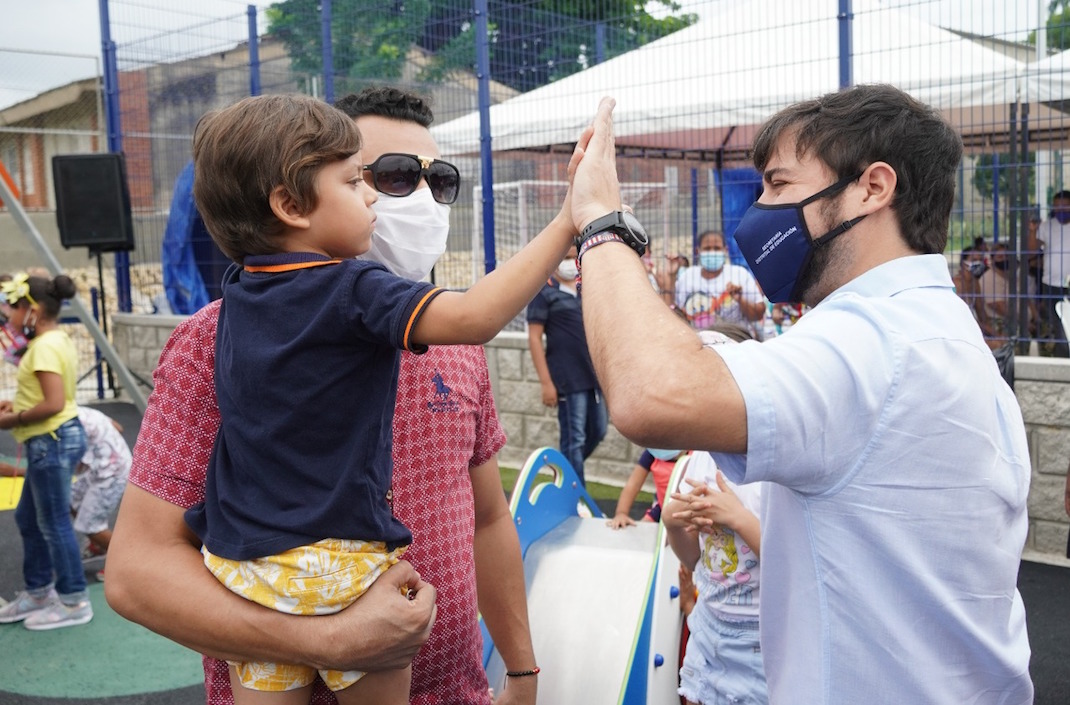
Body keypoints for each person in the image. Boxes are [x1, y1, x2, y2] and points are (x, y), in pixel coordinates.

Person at [568, 86, 1033, 703]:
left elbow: (651, 394)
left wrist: (601, 222)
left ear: (872, 187)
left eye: (779, 186)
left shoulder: (876, 341)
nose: (759, 211)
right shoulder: (926, 325)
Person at [106, 86, 549, 705]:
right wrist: (327, 641)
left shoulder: (451, 338)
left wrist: (522, 672)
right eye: (390, 177)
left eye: (439, 181)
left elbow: (488, 518)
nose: (419, 201)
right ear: (291, 199)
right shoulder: (215, 338)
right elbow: (136, 574)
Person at [0, 273, 91, 630]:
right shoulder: (54, 339)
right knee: (28, 519)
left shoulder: (43, 347)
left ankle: (74, 601)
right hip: (48, 441)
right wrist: (17, 408)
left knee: (54, 523)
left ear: (32, 310)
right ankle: (39, 591)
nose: (7, 313)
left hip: (50, 441)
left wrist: (11, 420)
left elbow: (53, 403)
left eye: (12, 306)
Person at [664, 451, 765, 705]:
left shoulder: (773, 470)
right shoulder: (698, 461)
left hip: (758, 639)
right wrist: (671, 522)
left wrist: (739, 518)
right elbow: (695, 559)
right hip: (707, 625)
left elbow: (794, 564)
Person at [0, 405, 132, 560]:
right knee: (69, 500)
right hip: (103, 468)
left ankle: (127, 561)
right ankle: (99, 544)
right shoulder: (73, 411)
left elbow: (54, 469)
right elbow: (118, 427)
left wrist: (16, 472)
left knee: (90, 526)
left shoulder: (60, 429)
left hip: (111, 473)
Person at [526, 244, 607, 484]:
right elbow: (534, 337)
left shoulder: (587, 288)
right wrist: (546, 383)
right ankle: (575, 495)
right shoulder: (544, 292)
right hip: (567, 378)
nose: (570, 262)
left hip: (593, 376)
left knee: (598, 431)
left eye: (574, 257)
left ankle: (565, 475)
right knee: (575, 438)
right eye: (566, 257)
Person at [656, 231, 766, 333]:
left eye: (717, 248)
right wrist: (670, 279)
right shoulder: (687, 276)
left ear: (725, 250)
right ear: (698, 251)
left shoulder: (740, 275)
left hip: (734, 343)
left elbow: (759, 314)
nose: (712, 252)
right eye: (707, 249)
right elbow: (670, 313)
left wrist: (740, 299)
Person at [606, 448, 687, 528]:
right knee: (641, 531)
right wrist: (621, 513)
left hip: (689, 512)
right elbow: (633, 484)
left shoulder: (694, 455)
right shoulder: (653, 453)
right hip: (661, 509)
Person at [1038, 190, 1070, 356]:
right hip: (1051, 285)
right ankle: (1061, 357)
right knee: (1056, 325)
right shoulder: (1047, 226)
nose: (1061, 209)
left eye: (1065, 205)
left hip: (1068, 285)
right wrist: (1031, 230)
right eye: (1057, 206)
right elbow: (1030, 250)